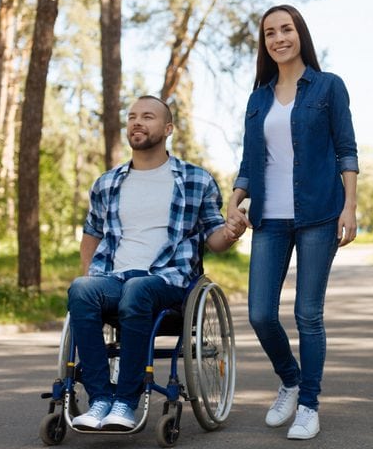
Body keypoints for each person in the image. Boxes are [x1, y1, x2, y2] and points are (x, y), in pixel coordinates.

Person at [69, 95, 245, 431]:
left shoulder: (196, 179)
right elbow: (91, 233)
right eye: (132, 116)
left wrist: (232, 231)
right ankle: (100, 400)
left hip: (168, 282)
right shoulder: (107, 183)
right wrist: (90, 275)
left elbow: (214, 238)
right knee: (81, 289)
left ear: (167, 129)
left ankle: (124, 403)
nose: (137, 122)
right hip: (114, 278)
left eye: (147, 117)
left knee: (138, 289)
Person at [226, 4, 359, 440]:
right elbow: (250, 159)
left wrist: (350, 205)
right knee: (260, 313)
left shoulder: (327, 87)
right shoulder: (258, 98)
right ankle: (290, 379)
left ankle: (309, 404)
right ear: (264, 43)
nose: (279, 38)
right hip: (269, 216)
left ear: (300, 33)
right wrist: (235, 201)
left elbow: (346, 150)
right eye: (270, 33)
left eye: (286, 29)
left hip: (319, 212)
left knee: (308, 314)